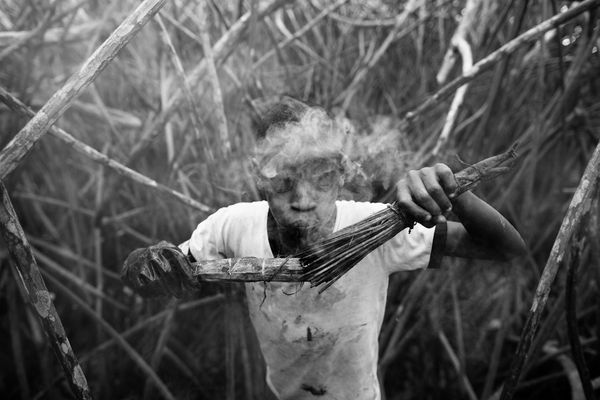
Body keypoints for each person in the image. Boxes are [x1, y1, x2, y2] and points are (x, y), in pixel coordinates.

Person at [130, 97, 526, 399]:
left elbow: (507, 249)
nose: (303, 200)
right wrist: (144, 264)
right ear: (259, 180)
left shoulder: (377, 230)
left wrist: (454, 192)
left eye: (320, 178)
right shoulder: (232, 226)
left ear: (341, 175)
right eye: (284, 182)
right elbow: (158, 273)